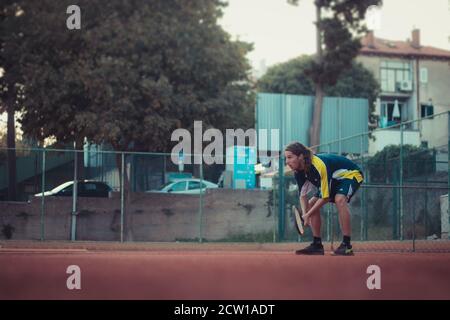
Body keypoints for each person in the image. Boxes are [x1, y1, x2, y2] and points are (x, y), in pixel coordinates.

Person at [285, 142, 364, 256]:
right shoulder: (298, 172)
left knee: (339, 199)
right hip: (333, 179)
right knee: (311, 204)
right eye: (286, 158)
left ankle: (347, 245)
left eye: (290, 157)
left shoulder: (318, 165)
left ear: (301, 156)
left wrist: (307, 215)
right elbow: (303, 196)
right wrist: (305, 213)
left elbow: (325, 197)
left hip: (350, 174)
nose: (287, 161)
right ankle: (317, 245)